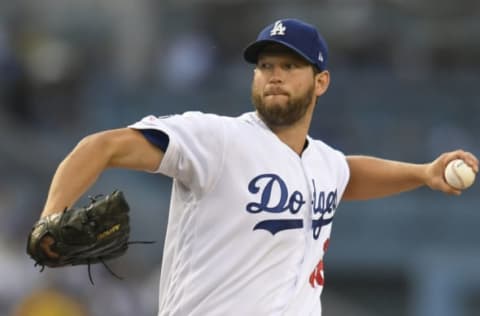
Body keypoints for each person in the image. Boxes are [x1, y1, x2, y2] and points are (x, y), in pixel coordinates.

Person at [37, 18, 478, 315]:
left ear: (320, 82)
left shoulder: (323, 161)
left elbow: (347, 175)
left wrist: (422, 173)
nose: (275, 75)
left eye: (289, 65)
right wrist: (50, 217)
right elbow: (101, 147)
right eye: (265, 66)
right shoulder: (216, 139)